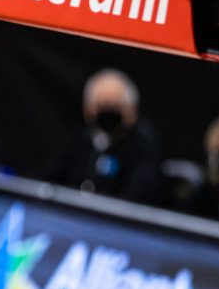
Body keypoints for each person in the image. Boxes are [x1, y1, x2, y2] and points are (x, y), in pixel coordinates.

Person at [48, 68, 161, 203]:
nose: (107, 115)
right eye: (101, 107)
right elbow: (51, 178)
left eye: (114, 107)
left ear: (132, 110)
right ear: (87, 109)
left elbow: (137, 195)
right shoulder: (82, 140)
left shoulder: (142, 144)